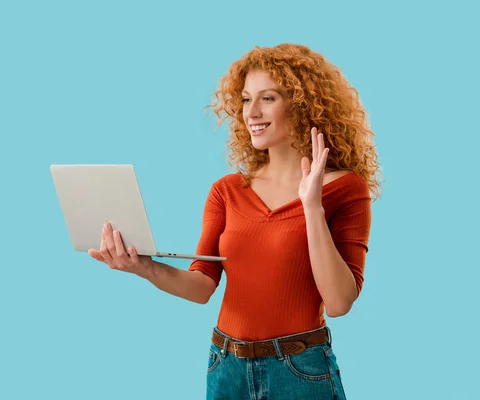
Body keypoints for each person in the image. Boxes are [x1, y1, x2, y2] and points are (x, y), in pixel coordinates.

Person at [88, 43, 381, 400]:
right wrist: (143, 267)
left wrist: (311, 207)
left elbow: (338, 303)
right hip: (225, 367)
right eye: (245, 99)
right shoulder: (227, 191)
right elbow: (201, 286)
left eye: (268, 98)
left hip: (299, 371)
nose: (251, 112)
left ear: (302, 104)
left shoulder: (346, 189)